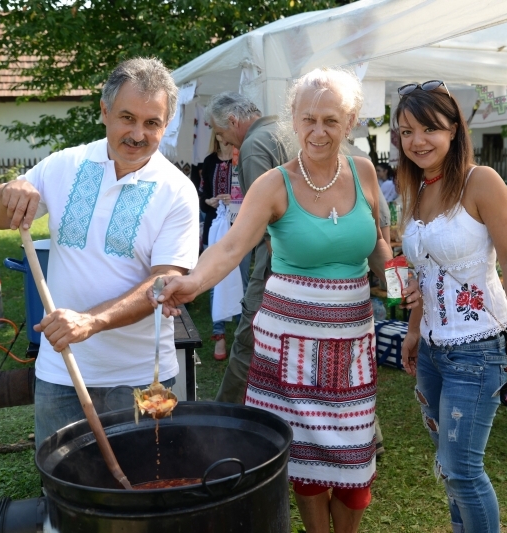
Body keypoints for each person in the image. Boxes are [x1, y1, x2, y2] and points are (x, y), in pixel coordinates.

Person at [153, 68, 392, 533]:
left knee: (355, 463)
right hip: (291, 347)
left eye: (330, 119)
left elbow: (380, 243)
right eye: (308, 119)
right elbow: (229, 247)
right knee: (305, 463)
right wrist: (193, 282)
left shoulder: (363, 172)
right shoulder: (274, 184)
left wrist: (407, 292)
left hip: (352, 345)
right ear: (293, 121)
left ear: (351, 121)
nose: (318, 131)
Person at [0, 57, 200, 446]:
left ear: (166, 125)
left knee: (141, 483)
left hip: (140, 378)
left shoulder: (177, 190)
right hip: (61, 371)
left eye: (152, 123)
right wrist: (9, 191)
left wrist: (90, 322)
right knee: (64, 487)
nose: (137, 134)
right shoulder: (65, 165)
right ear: (104, 112)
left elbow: (164, 282)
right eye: (127, 118)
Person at [396, 81, 507, 533]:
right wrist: (414, 330)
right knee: (448, 465)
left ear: (454, 129)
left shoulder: (482, 181)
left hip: (479, 348)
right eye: (405, 131)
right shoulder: (416, 189)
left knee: (463, 471)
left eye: (429, 129)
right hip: (434, 353)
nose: (417, 141)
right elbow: (422, 274)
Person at [205, 92, 288, 403]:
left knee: (247, 339)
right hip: (304, 254)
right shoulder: (285, 130)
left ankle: (222, 418)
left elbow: (261, 222)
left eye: (219, 131)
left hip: (277, 257)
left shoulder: (253, 146)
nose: (223, 140)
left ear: (233, 121)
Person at [199, 131, 244, 360]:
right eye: (218, 132)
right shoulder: (209, 161)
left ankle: (241, 334)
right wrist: (209, 201)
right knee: (215, 282)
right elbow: (202, 196)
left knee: (241, 280)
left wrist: (234, 200)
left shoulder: (242, 161)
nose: (223, 137)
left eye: (226, 132)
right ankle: (220, 335)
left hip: (239, 229)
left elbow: (251, 196)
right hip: (214, 229)